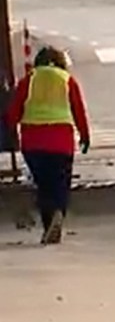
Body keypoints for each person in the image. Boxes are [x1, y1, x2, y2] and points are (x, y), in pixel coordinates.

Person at [5, 45, 90, 244]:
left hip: (33, 142)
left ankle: (48, 226)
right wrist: (85, 136)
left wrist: (10, 130)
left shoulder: (28, 80)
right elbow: (78, 110)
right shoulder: (67, 80)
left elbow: (14, 112)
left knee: (43, 185)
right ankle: (59, 212)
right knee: (60, 182)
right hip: (61, 141)